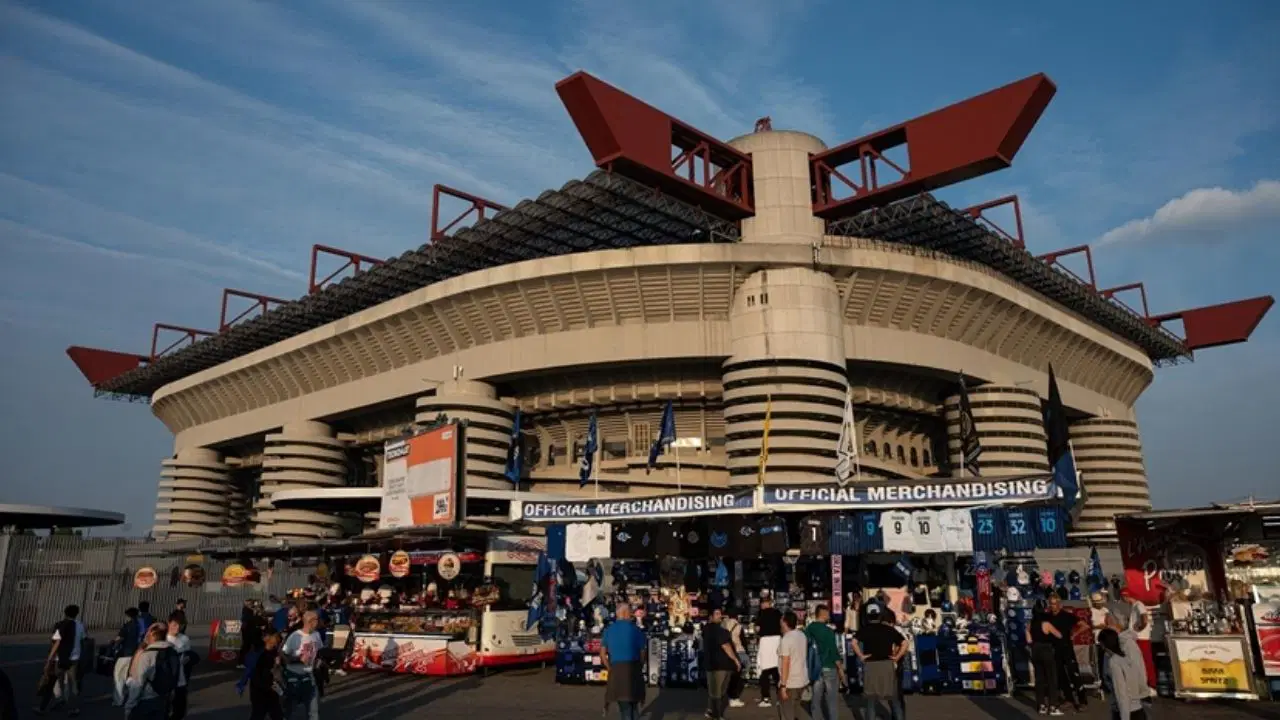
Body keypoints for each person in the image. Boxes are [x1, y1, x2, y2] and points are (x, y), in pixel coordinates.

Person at [854, 604, 905, 720]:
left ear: (867, 616)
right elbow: (904, 643)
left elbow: (853, 642)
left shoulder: (865, 629)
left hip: (871, 665)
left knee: (870, 701)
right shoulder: (889, 629)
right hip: (887, 664)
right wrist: (897, 657)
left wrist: (861, 656)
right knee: (894, 699)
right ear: (880, 615)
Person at [600, 602, 647, 720]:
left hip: (617, 671)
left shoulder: (609, 630)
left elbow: (602, 654)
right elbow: (643, 653)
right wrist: (639, 666)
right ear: (626, 613)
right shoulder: (636, 630)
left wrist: (610, 668)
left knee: (625, 709)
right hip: (634, 669)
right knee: (634, 708)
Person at [37, 604, 85, 717]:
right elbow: (83, 641)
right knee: (73, 683)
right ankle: (74, 708)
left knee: (52, 682)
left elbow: (56, 643)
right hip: (74, 659)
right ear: (77, 614)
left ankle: (43, 708)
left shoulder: (61, 625)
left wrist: (49, 659)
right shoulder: (80, 625)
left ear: (65, 613)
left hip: (60, 659)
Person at [126, 625, 179, 720]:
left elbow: (138, 683)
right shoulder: (173, 652)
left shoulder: (147, 655)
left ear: (154, 636)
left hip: (147, 700)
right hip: (164, 699)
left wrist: (130, 705)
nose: (146, 636)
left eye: (148, 634)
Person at [804, 604, 846, 720]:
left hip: (815, 668)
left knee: (816, 699)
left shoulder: (809, 629)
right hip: (829, 666)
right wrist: (841, 669)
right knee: (831, 700)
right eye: (828, 613)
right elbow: (833, 652)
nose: (829, 616)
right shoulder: (829, 632)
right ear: (823, 615)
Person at [1098, 628, 1150, 720]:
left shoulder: (1114, 662)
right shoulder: (1127, 658)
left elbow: (1121, 693)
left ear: (1103, 644)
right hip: (1138, 709)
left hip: (1125, 712)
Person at [281, 611, 323, 720]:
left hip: (310, 675)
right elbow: (284, 656)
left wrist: (318, 661)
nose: (318, 622)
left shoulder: (316, 635)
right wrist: (299, 659)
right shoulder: (295, 636)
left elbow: (319, 651)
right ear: (310, 622)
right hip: (294, 675)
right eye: (316, 620)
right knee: (290, 708)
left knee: (314, 710)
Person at [701, 607, 740, 720]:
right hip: (721, 665)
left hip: (711, 665)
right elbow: (726, 646)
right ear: (711, 617)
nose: (720, 616)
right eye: (717, 614)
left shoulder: (706, 630)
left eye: (720, 614)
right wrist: (736, 660)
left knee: (714, 691)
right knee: (718, 693)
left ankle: (711, 711)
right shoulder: (720, 631)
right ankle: (717, 715)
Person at [776, 611, 810, 720]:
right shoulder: (801, 635)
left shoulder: (786, 639)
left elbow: (786, 662)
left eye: (781, 619)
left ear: (784, 622)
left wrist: (783, 685)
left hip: (791, 682)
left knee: (787, 713)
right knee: (796, 709)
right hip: (802, 679)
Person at [754, 595, 782, 708]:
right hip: (777, 641)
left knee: (764, 671)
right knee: (777, 671)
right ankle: (780, 698)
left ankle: (766, 698)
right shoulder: (778, 613)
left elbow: (757, 629)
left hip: (765, 641)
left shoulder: (761, 613)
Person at [249, 632, 284, 720]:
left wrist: (278, 664)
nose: (276, 645)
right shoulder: (259, 655)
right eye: (275, 643)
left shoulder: (275, 653)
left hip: (271, 687)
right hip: (260, 689)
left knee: (276, 713)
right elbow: (255, 675)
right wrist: (266, 686)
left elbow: (278, 670)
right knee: (258, 713)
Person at [113, 608, 143, 707]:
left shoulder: (127, 626)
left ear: (128, 616)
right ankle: (132, 698)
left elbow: (119, 639)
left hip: (124, 654)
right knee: (129, 677)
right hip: (135, 654)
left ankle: (119, 700)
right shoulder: (140, 626)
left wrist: (114, 646)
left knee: (119, 677)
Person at [720, 609, 748, 708]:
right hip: (737, 651)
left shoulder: (722, 624)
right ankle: (733, 697)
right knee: (737, 675)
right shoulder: (739, 626)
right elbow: (743, 641)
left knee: (727, 675)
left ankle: (724, 696)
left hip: (725, 651)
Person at [166, 614, 192, 720]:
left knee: (180, 711)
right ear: (168, 623)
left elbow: (189, 655)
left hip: (181, 681)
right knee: (165, 710)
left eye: (180, 625)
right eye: (174, 624)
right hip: (167, 682)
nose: (177, 627)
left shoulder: (184, 639)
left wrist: (188, 659)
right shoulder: (163, 639)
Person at [239, 599, 261, 669]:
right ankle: (241, 662)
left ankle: (244, 662)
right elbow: (249, 619)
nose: (252, 605)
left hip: (250, 631)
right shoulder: (246, 611)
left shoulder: (249, 610)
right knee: (247, 646)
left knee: (249, 646)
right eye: (251, 603)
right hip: (248, 632)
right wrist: (255, 614)